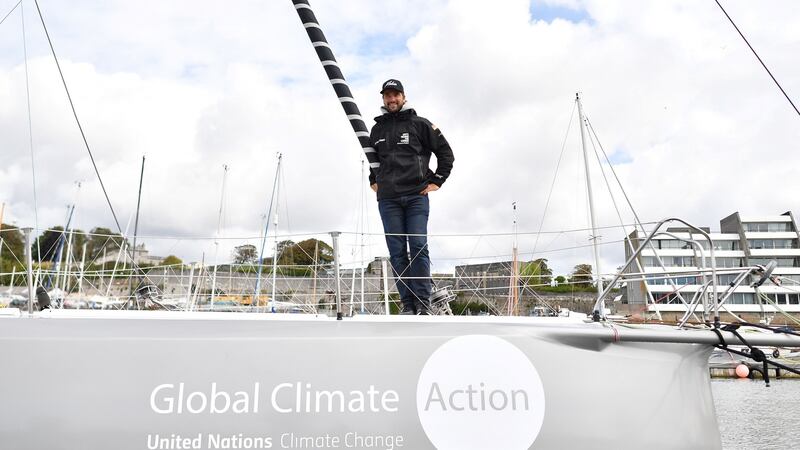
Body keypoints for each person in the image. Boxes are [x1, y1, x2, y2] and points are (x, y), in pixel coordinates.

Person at [368, 79, 454, 315]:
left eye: (396, 95)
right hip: (388, 200)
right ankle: (408, 304)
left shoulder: (420, 124)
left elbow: (446, 153)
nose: (392, 99)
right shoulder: (376, 130)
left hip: (416, 196)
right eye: (387, 95)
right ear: (383, 99)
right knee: (396, 252)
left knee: (417, 247)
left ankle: (423, 302)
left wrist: (438, 180)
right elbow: (375, 161)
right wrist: (373, 180)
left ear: (404, 97)